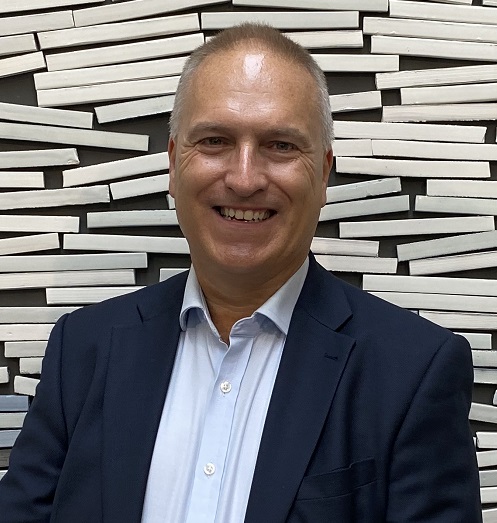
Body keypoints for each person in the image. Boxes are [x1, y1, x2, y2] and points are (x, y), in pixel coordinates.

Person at [0, 23, 481, 522]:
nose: (245, 178)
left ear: (323, 173)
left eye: (280, 146)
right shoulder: (81, 350)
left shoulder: (413, 372)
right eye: (214, 140)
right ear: (172, 164)